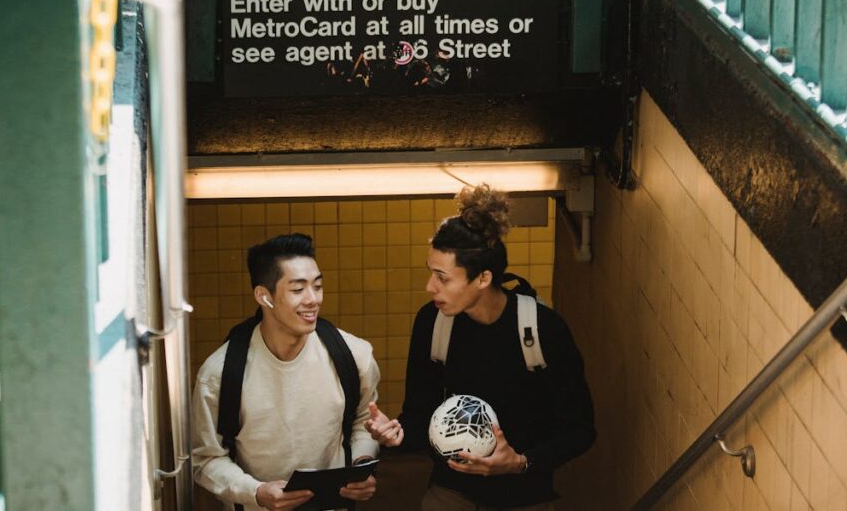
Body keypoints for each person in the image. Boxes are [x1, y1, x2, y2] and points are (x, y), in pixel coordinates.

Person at [365, 185, 596, 510]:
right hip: (452, 491)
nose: (430, 287)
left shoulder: (542, 330)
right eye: (431, 273)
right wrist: (397, 433)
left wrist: (521, 462)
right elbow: (419, 414)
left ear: (483, 279)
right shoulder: (433, 323)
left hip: (526, 495)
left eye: (443, 278)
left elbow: (579, 429)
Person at [192, 233, 381, 511]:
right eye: (297, 289)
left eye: (317, 286)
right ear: (264, 296)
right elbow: (206, 459)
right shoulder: (219, 374)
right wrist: (256, 492)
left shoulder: (354, 355)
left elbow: (362, 422)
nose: (313, 299)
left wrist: (362, 465)